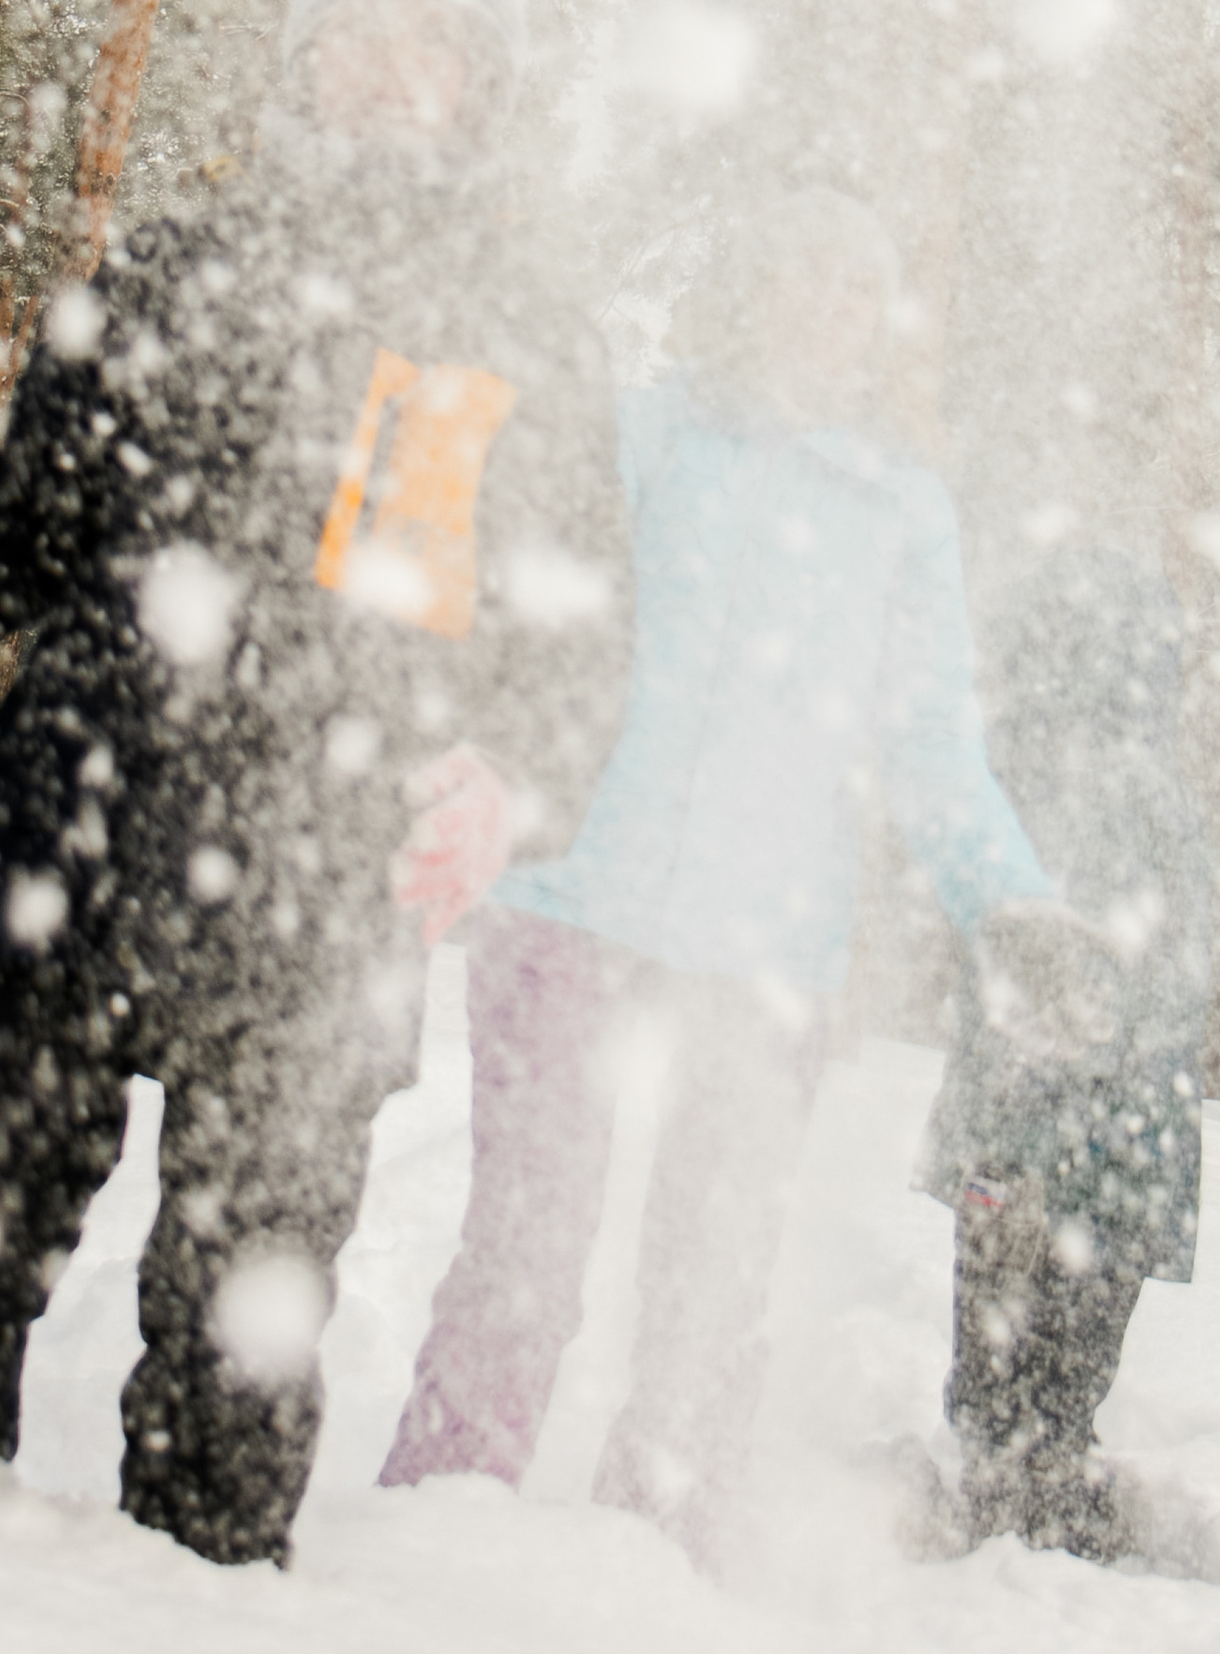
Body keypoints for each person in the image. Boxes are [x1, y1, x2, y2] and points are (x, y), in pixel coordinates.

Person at [0, 0, 633, 1569]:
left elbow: (575, 651)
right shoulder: (180, 268)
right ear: (308, 53)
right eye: (365, 30)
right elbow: (16, 521)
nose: (395, 69)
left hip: (321, 898)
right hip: (72, 834)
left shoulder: (533, 346)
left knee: (233, 1392)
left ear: (486, 80)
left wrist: (512, 779)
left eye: (437, 40)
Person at [379, 186, 1054, 1567]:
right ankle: (435, 1541)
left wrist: (1014, 901)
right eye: (798, 270)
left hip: (766, 954)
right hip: (570, 909)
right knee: (524, 1255)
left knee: (709, 1286)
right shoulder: (638, 438)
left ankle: (664, 1564)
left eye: (853, 287)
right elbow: (525, 624)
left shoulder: (896, 508)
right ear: (746, 285)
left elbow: (930, 743)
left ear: (876, 325)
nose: (824, 305)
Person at [914, 546, 1211, 1561]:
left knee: (1003, 1308)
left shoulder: (1017, 771)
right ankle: (1042, 1468)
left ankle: (1007, 1463)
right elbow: (1173, 972)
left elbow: (992, 946)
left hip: (1028, 1114)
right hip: (1116, 1126)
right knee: (1073, 1319)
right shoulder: (1149, 788)